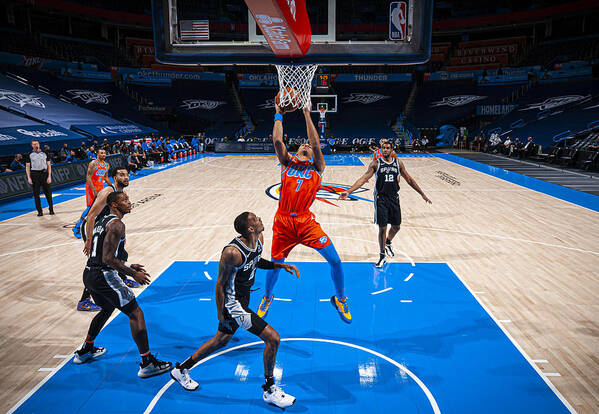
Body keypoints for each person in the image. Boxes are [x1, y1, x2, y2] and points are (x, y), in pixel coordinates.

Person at [170, 212, 299, 408]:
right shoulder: (232, 252)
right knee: (273, 339)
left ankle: (181, 370)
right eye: (256, 219)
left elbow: (256, 261)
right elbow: (220, 284)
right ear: (249, 228)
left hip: (244, 299)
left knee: (220, 340)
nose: (260, 219)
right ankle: (270, 389)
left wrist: (278, 265)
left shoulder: (259, 239)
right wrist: (221, 314)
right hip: (233, 304)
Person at [256, 102, 351, 324]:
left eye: (308, 145)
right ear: (297, 151)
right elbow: (278, 141)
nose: (306, 145)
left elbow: (317, 144)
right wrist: (278, 114)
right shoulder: (286, 163)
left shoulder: (317, 167)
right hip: (283, 222)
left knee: (335, 261)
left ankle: (341, 299)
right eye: (302, 145)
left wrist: (307, 113)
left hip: (306, 222)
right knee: (276, 264)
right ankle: (267, 298)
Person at [73, 191, 172, 378]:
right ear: (115, 205)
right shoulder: (117, 224)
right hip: (103, 275)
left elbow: (104, 253)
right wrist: (134, 273)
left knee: (106, 308)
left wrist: (127, 264)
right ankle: (147, 362)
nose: (129, 202)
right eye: (124, 200)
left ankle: (86, 349)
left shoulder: (102, 221)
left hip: (89, 274)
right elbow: (108, 258)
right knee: (136, 313)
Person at [340, 140, 431, 268]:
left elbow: (409, 179)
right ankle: (382, 256)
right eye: (383, 148)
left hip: (394, 198)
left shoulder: (398, 163)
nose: (385, 150)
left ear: (392, 150)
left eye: (388, 148)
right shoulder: (376, 164)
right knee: (382, 228)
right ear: (381, 150)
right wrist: (349, 191)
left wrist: (422, 193)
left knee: (397, 227)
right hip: (381, 199)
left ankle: (388, 242)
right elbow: (363, 179)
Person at [77, 167, 140, 311]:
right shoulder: (108, 192)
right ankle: (84, 300)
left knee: (122, 254)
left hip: (104, 227)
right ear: (114, 177)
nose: (125, 177)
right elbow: (91, 215)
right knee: (97, 262)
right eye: (121, 175)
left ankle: (122, 279)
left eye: (127, 175)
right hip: (92, 228)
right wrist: (89, 240)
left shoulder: (120, 193)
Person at [25, 140, 54, 216]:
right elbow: (27, 167)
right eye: (34, 144)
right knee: (36, 194)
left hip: (44, 174)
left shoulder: (45, 153)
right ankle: (39, 211)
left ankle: (51, 208)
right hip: (35, 174)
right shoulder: (29, 154)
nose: (35, 145)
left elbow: (49, 165)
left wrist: (49, 176)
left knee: (48, 193)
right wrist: (29, 177)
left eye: (37, 144)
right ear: (32, 145)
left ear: (39, 144)